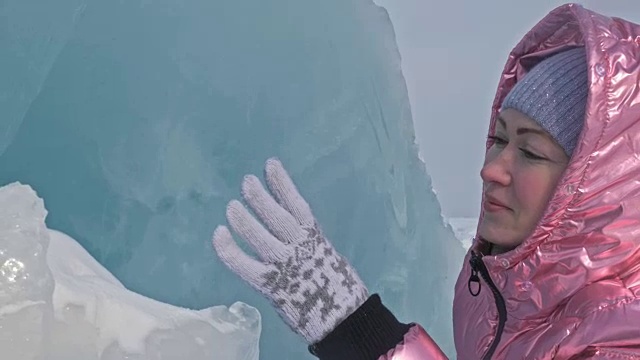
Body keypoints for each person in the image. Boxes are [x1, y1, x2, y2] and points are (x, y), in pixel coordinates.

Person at [212, 3, 640, 359]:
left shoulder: (617, 339)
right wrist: (354, 328)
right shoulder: (507, 294)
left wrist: (359, 333)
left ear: (597, 185)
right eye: (499, 138)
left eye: (530, 152)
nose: (491, 169)